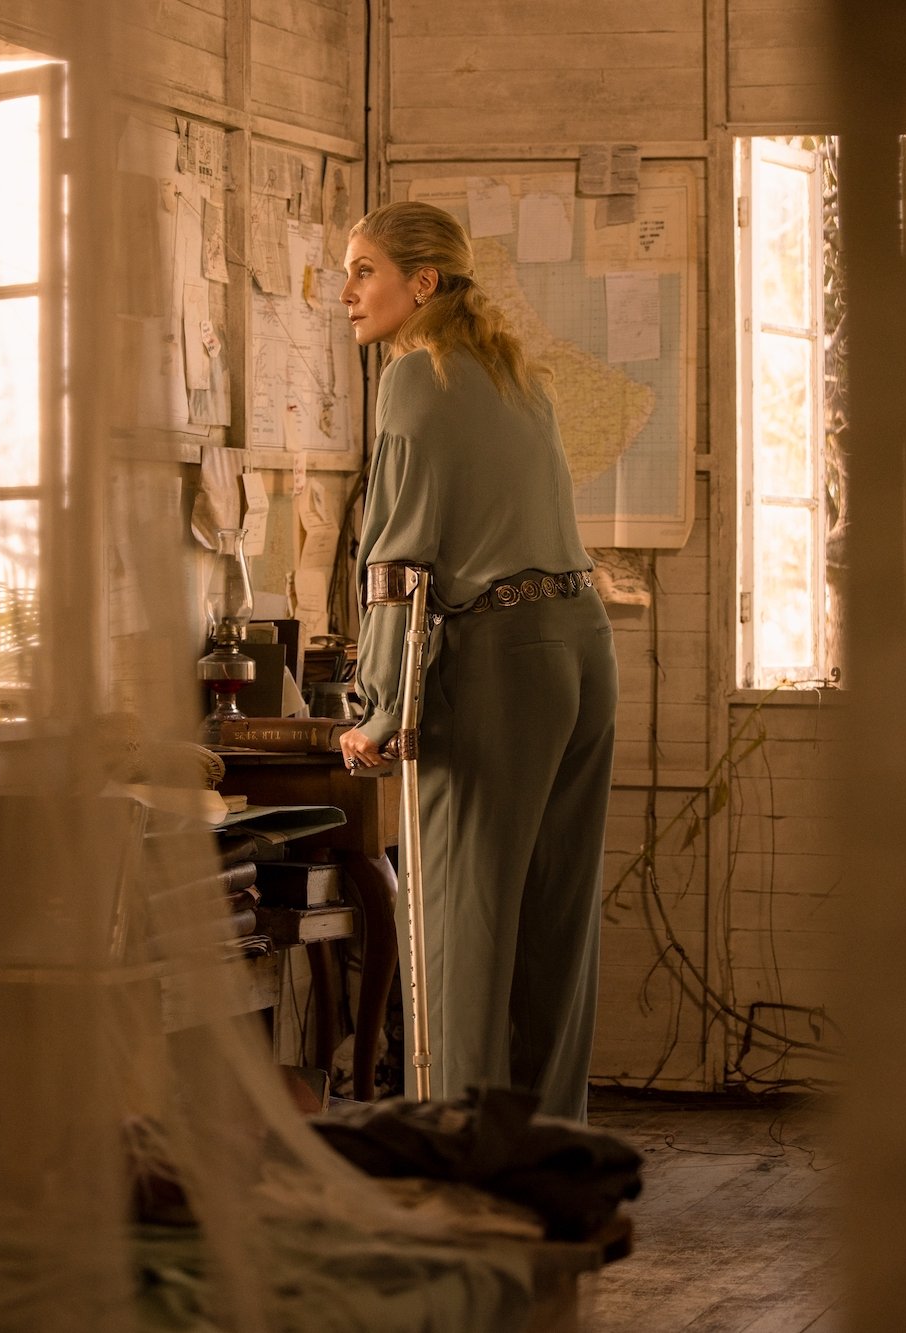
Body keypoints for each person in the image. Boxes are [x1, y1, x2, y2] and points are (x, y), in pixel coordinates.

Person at [336, 200, 615, 1122]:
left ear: (423, 282)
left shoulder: (416, 376)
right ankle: (549, 1153)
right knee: (553, 925)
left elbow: (397, 564)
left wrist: (376, 706)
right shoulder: (514, 371)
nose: (347, 292)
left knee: (462, 928)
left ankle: (460, 1162)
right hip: (580, 647)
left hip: (500, 657)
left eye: (365, 269)